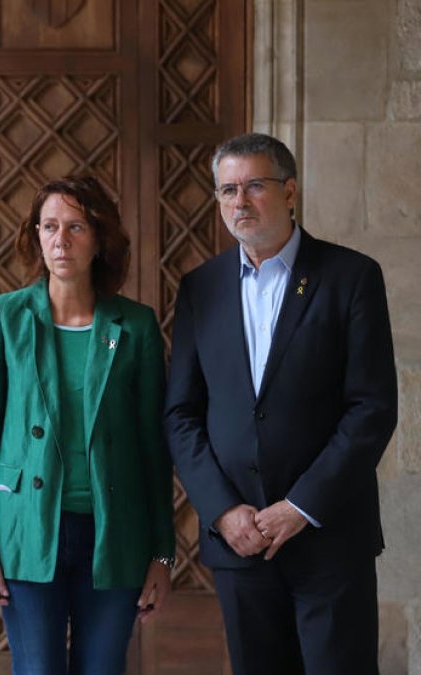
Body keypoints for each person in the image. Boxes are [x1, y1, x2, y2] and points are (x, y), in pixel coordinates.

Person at [165, 133, 397, 675]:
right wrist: (223, 511)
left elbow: (372, 408)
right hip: (240, 542)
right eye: (226, 191)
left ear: (290, 191)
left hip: (329, 535)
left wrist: (300, 507)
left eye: (253, 187)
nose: (238, 203)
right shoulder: (201, 288)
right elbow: (181, 414)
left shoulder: (352, 277)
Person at [0, 175, 175, 674]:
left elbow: (154, 446)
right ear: (36, 236)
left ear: (100, 237)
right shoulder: (5, 316)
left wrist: (163, 555)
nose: (60, 240)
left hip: (116, 535)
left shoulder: (136, 324)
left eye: (75, 226)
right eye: (49, 226)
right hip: (25, 532)